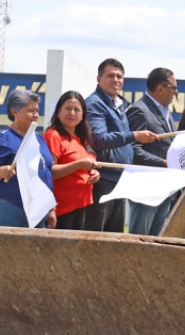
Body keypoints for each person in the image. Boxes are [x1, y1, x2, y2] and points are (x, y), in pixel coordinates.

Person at [84, 59, 159, 233]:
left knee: (115, 237)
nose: (115, 80)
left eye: (119, 76)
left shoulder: (119, 105)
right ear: (98, 78)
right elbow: (99, 139)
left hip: (119, 179)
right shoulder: (95, 103)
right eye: (110, 75)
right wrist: (134, 136)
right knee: (96, 237)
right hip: (102, 180)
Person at [0, 88, 57, 229]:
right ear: (15, 112)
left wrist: (52, 209)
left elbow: (46, 172)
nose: (36, 115)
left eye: (37, 110)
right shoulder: (3, 138)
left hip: (39, 209)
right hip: (11, 207)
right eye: (31, 110)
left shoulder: (39, 139)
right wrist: (2, 171)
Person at [126, 67, 178, 235]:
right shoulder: (140, 110)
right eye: (174, 87)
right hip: (146, 188)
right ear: (161, 88)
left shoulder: (166, 113)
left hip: (164, 187)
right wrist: (163, 163)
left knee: (156, 242)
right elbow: (134, 150)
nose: (175, 92)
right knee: (139, 241)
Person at [44, 90, 99, 231]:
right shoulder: (53, 135)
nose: (72, 113)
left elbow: (87, 164)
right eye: (67, 108)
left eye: (76, 109)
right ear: (58, 112)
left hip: (83, 205)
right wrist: (80, 164)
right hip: (62, 208)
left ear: (83, 115)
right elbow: (50, 172)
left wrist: (93, 172)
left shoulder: (83, 138)